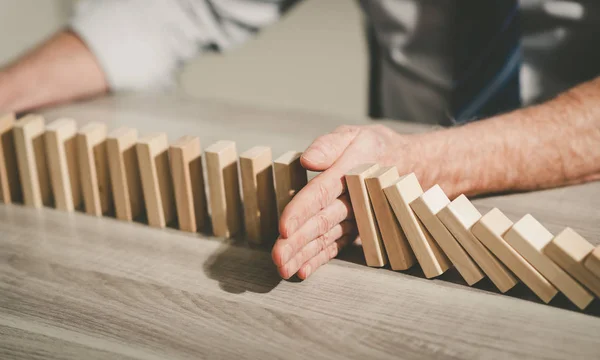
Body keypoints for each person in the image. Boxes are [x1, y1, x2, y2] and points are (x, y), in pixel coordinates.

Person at [1, 0, 599, 280]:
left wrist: (425, 161)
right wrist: (10, 88)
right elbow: (182, 7)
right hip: (372, 223)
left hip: (570, 218)